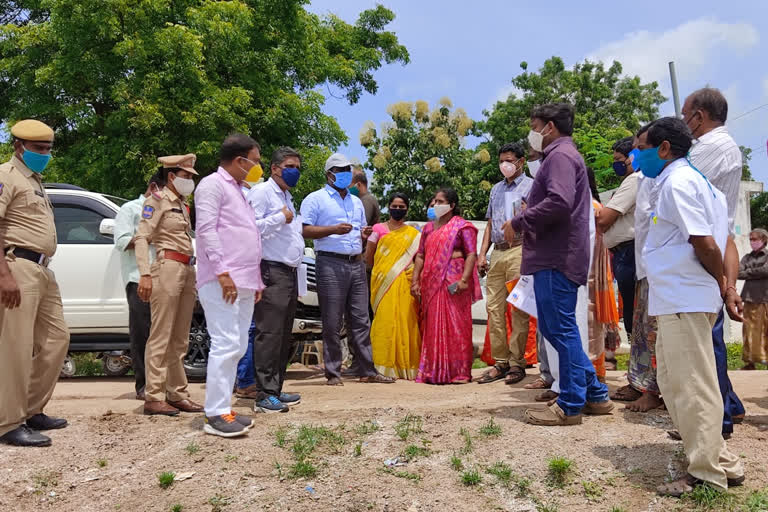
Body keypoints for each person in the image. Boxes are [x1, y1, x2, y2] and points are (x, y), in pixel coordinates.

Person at [636, 116, 744, 497]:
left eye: (642, 147)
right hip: (678, 297)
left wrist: (722, 284)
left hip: (685, 295)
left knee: (693, 385)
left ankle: (705, 473)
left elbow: (706, 243)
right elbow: (717, 239)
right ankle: (722, 460)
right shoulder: (696, 183)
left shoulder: (679, 182)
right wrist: (725, 287)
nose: (637, 154)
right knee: (675, 380)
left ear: (664, 149)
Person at [505, 103, 613, 425]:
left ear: (549, 127)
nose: (532, 134)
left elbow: (559, 202)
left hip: (557, 257)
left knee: (561, 328)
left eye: (534, 126)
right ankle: (594, 394)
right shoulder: (561, 157)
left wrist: (519, 221)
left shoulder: (561, 157)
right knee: (555, 327)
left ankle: (569, 404)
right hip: (555, 255)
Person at [0, 119, 69, 447]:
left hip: (43, 269)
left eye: (47, 149)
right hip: (18, 267)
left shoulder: (35, 181)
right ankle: (7, 423)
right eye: (38, 149)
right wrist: (4, 275)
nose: (44, 154)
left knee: (57, 339)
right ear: (18, 147)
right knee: (16, 347)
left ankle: (30, 409)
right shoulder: (6, 176)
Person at [300, 153, 395, 386]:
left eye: (347, 170)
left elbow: (361, 230)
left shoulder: (356, 202)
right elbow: (303, 230)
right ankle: (333, 372)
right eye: (339, 169)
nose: (344, 173)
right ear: (329, 174)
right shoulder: (315, 199)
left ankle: (366, 370)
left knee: (361, 319)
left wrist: (364, 234)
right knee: (332, 319)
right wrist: (332, 229)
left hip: (356, 262)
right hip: (330, 262)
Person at [683, 87, 746, 436]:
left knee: (705, 342)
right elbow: (727, 233)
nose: (683, 122)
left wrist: (724, 283)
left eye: (685, 114)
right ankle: (729, 406)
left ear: (700, 116)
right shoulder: (724, 148)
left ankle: (715, 421)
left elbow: (677, 191)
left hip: (701, 256)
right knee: (710, 338)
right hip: (712, 251)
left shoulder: (707, 150)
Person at [196, 134, 265, 436]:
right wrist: (222, 272)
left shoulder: (240, 190)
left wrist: (256, 279)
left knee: (236, 345)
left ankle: (224, 406)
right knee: (224, 343)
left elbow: (247, 235)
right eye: (256, 161)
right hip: (222, 279)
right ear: (240, 161)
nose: (257, 167)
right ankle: (215, 413)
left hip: (245, 280)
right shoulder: (212, 185)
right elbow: (206, 230)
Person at [135, 154, 203, 417]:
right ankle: (154, 395)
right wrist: (144, 274)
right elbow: (142, 237)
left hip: (186, 269)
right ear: (172, 177)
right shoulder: (157, 200)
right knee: (161, 334)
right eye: (187, 177)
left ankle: (177, 393)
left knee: (180, 338)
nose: (190, 181)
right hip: (167, 268)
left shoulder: (183, 205)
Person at [244, 147, 305, 412]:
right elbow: (249, 228)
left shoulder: (287, 195)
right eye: (290, 166)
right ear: (275, 168)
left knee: (282, 334)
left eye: (298, 167)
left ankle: (275, 389)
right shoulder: (261, 192)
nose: (295, 171)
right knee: (268, 333)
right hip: (270, 269)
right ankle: (263, 394)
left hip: (288, 272)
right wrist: (280, 217)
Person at [612, 124, 664, 412]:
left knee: (652, 330)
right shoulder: (645, 180)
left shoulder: (648, 180)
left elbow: (608, 217)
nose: (633, 156)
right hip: (645, 263)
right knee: (641, 327)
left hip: (651, 264)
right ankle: (643, 384)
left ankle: (652, 390)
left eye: (638, 149)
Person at [411, 187, 482, 384]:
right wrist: (415, 280)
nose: (435, 204)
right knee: (433, 327)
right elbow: (421, 256)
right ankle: (432, 371)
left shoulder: (462, 227)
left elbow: (470, 254)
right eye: (434, 201)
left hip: (454, 281)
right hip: (431, 283)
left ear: (451, 206)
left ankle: (459, 372)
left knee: (457, 326)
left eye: (440, 201)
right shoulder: (427, 228)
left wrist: (465, 280)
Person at [476, 142, 533, 385]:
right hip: (497, 252)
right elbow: (490, 223)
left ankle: (517, 363)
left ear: (521, 161)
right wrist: (482, 254)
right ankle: (500, 362)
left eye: (509, 160)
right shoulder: (496, 189)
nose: (504, 165)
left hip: (520, 248)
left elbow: (538, 218)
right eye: (501, 161)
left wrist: (527, 211)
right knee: (494, 309)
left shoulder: (532, 185)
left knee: (518, 309)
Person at [114, 172, 166, 401]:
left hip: (166, 278)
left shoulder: (167, 209)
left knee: (164, 334)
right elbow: (122, 241)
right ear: (154, 187)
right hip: (139, 279)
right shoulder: (130, 209)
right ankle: (144, 385)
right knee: (142, 333)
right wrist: (149, 236)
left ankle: (162, 384)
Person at [365, 193, 422, 379]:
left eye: (401, 206)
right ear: (388, 207)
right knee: (384, 322)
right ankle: (381, 367)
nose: (397, 209)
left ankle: (406, 367)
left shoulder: (414, 234)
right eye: (394, 206)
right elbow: (369, 257)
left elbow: (418, 259)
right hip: (382, 282)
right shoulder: (378, 229)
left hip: (405, 283)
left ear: (407, 208)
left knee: (406, 322)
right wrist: (385, 273)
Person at [596, 136, 640, 362]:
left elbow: (604, 218)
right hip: (623, 253)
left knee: (633, 311)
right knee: (632, 309)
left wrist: (599, 215)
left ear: (632, 158)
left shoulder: (633, 181)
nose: (616, 164)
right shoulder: (630, 181)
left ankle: (638, 365)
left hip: (629, 251)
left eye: (619, 159)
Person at [586, 168, 621, 383]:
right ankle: (595, 375)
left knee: (591, 324)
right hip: (590, 275)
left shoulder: (590, 208)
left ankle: (594, 377)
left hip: (590, 276)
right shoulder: (592, 206)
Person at [738, 228, 768, 369]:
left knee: (765, 329)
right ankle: (750, 362)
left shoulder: (767, 256)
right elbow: (738, 272)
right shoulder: (747, 257)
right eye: (751, 239)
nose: (752, 242)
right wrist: (757, 272)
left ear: (763, 239)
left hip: (764, 297)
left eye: (755, 239)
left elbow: (766, 270)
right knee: (749, 330)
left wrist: (748, 272)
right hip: (749, 298)